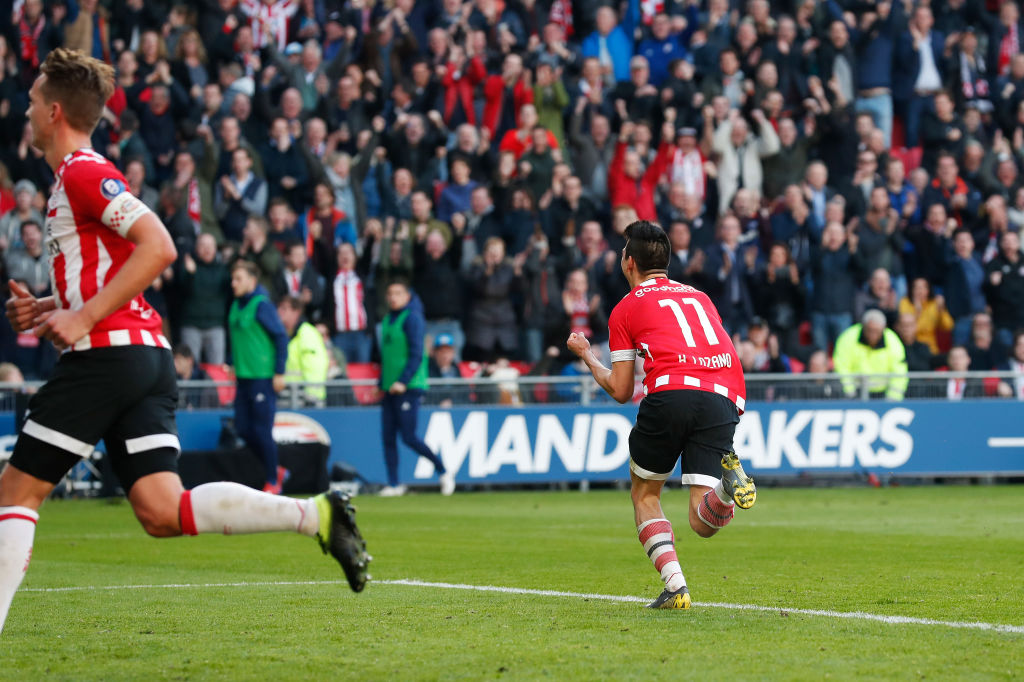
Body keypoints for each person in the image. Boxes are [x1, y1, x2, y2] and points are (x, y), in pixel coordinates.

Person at [0, 49, 368, 637]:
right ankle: (313, 513)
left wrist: (84, 317)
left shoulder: (83, 172)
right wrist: (51, 308)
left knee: (15, 491)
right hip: (145, 356)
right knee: (161, 510)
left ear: (53, 110)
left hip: (108, 357)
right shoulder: (77, 177)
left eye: (30, 101)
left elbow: (160, 245)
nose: (23, 110)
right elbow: (112, 265)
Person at [566, 220, 755, 610]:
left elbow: (620, 390)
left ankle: (675, 585)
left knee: (645, 494)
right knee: (702, 523)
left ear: (629, 263)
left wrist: (586, 354)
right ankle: (726, 487)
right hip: (723, 395)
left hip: (670, 392)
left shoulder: (626, 307)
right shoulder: (701, 298)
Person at [228, 259, 290, 494]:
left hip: (262, 378)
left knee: (263, 430)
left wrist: (279, 371)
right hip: (243, 378)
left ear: (252, 281)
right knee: (243, 429)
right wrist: (232, 362)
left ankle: (273, 479)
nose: (234, 283)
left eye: (239, 279)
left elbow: (280, 337)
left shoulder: (262, 305)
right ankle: (277, 469)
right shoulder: (236, 305)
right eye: (233, 279)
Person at [832, 309, 909, 400]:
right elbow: (842, 367)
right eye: (870, 330)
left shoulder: (893, 341)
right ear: (863, 326)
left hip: (883, 391)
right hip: (856, 390)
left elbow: (899, 373)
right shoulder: (848, 337)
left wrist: (892, 399)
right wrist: (850, 393)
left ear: (883, 328)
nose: (873, 335)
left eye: (876, 331)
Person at [277, 295, 329, 407]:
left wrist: (311, 396)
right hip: (288, 395)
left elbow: (314, 366)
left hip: (306, 400)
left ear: (296, 312)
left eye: (284, 308)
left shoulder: (307, 333)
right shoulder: (285, 334)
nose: (279, 311)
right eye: (280, 308)